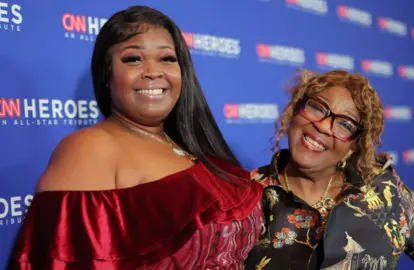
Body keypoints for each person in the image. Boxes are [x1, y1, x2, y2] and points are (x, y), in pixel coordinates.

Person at [9, 5, 263, 269]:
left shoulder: (190, 146)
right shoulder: (90, 148)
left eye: (167, 59)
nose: (153, 71)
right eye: (133, 59)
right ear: (107, 75)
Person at [245, 69, 414, 270]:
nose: (324, 126)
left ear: (354, 146)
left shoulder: (384, 190)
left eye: (345, 124)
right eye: (317, 107)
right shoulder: (247, 194)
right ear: (296, 110)